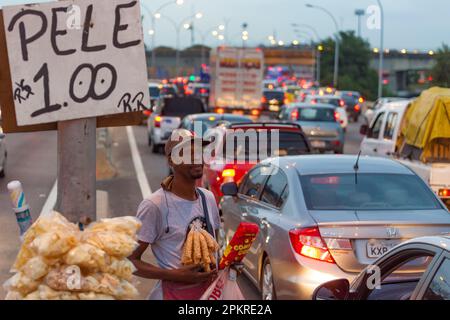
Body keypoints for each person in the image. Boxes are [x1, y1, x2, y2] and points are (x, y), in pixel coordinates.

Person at [129, 129, 221, 300]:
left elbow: (215, 247)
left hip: (210, 293)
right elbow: (130, 261)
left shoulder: (207, 198)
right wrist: (175, 275)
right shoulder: (155, 205)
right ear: (171, 160)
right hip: (173, 294)